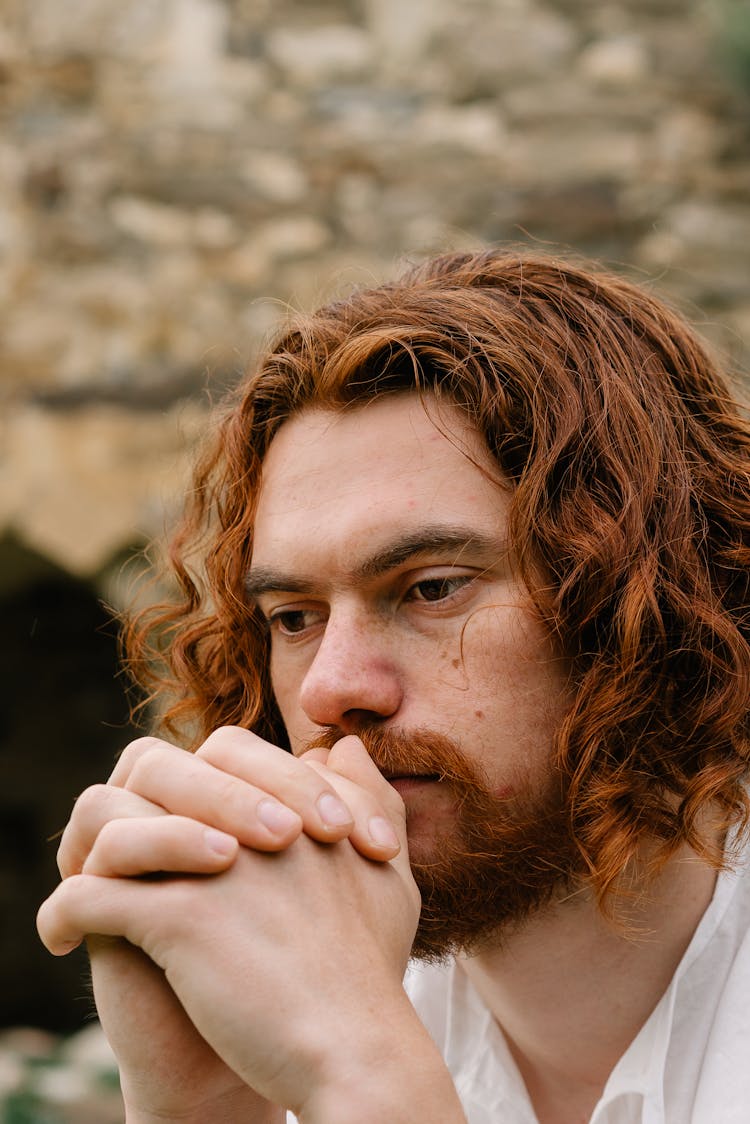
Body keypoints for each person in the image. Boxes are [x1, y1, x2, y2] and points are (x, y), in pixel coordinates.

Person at [37, 249, 750, 1124]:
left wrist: (368, 1085)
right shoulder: (313, 1014)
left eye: (432, 588)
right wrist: (212, 1109)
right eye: (294, 616)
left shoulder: (345, 1048)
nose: (331, 691)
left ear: (663, 594)